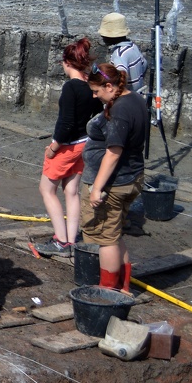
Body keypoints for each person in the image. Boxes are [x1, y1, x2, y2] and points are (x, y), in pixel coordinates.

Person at [80, 62, 148, 293]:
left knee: (105, 238)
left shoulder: (119, 110)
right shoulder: (136, 99)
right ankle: (124, 286)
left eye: (97, 91)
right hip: (133, 176)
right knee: (115, 232)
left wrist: (97, 188)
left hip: (116, 183)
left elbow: (113, 152)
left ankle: (107, 291)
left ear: (109, 86)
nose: (94, 95)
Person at [35, 38, 103, 258]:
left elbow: (65, 124)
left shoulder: (71, 88)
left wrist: (54, 147)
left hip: (68, 145)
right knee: (71, 191)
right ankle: (72, 240)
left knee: (47, 189)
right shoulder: (91, 87)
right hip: (84, 143)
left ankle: (61, 241)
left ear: (66, 63)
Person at [98, 12, 148, 93]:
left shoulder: (119, 55)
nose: (102, 37)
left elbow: (120, 77)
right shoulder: (133, 47)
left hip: (126, 98)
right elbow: (144, 64)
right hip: (137, 95)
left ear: (111, 36)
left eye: (104, 35)